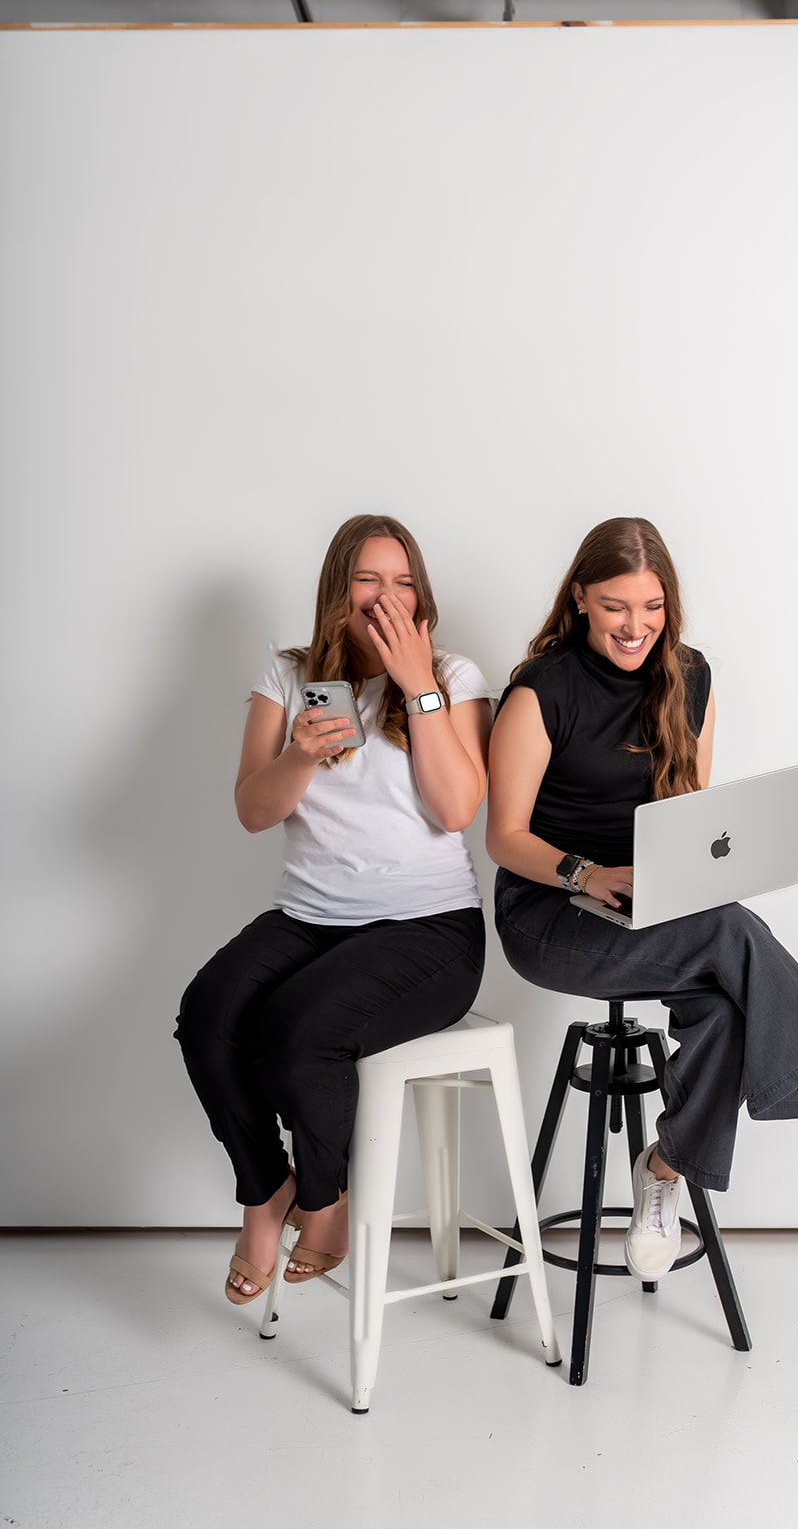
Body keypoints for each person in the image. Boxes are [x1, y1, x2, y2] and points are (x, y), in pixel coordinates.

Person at [486, 516, 798, 1283]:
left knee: (728, 998)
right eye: (616, 606)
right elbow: (504, 837)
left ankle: (663, 1168)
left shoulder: (689, 677)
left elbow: (691, 816)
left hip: (652, 905)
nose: (635, 626)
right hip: (552, 911)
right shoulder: (540, 690)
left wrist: (696, 870)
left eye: (652, 606)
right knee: (729, 935)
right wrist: (586, 874)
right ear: (581, 597)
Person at [176, 515, 492, 1304]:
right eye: (368, 580)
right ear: (336, 591)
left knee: (297, 1033)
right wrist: (301, 754)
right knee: (208, 1015)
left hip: (430, 929)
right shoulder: (288, 676)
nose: (386, 597)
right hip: (309, 917)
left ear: (421, 596)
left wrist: (417, 684)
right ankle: (265, 1194)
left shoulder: (453, 676)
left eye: (403, 582)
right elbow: (253, 811)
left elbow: (457, 809)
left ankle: (326, 1197)